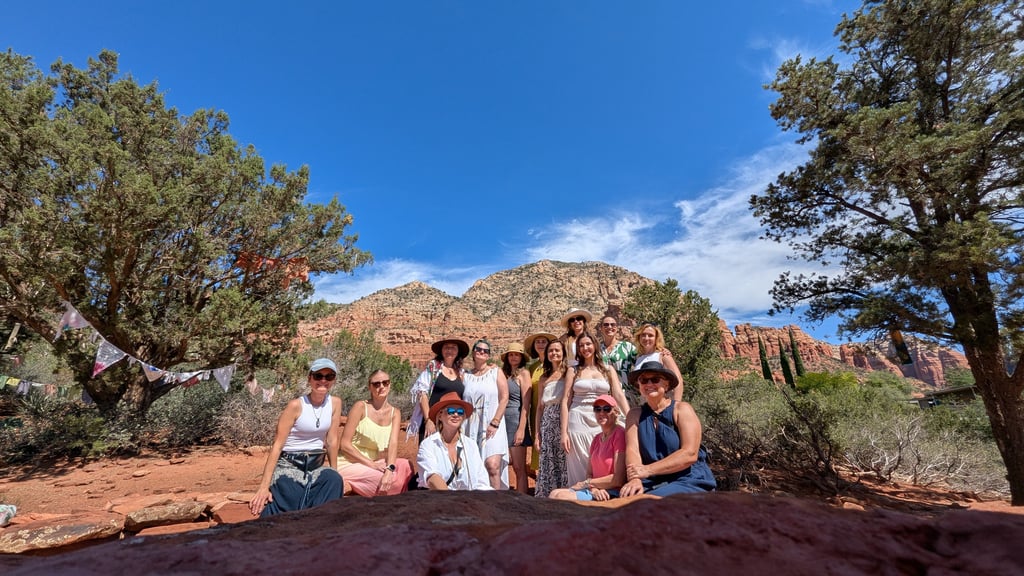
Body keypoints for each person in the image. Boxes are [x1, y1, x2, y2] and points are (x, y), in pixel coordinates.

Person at [249, 358, 343, 517]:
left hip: (315, 466)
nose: (323, 381)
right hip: (289, 465)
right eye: (318, 376)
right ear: (309, 378)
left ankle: (319, 530)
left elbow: (332, 441)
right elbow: (277, 446)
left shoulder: (335, 403)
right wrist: (263, 487)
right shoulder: (296, 406)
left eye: (329, 376)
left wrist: (335, 471)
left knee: (334, 481)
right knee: (290, 494)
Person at [619, 362, 716, 497]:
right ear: (639, 385)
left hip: (687, 478)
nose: (649, 384)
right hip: (652, 480)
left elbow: (689, 454)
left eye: (655, 379)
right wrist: (635, 479)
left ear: (666, 384)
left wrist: (647, 470)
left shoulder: (681, 410)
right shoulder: (634, 415)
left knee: (645, 504)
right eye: (643, 380)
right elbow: (632, 450)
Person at [560, 331, 631, 486]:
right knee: (578, 465)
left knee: (600, 461)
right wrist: (563, 432)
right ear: (578, 349)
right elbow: (565, 400)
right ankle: (577, 502)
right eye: (581, 345)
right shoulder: (573, 370)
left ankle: (600, 495)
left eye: (588, 344)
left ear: (595, 346)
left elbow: (618, 395)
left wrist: (630, 418)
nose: (585, 348)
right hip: (577, 420)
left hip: (603, 419)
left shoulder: (607, 369)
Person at [338, 369, 414, 496]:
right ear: (369, 387)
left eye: (385, 382)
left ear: (390, 384)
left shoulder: (395, 412)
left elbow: (393, 444)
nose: (381, 386)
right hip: (349, 463)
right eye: (376, 384)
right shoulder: (360, 407)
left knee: (406, 466)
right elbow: (345, 445)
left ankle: (385, 492)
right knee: (389, 481)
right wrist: (371, 465)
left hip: (372, 463)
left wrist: (389, 469)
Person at [549, 394, 626, 501]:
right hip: (595, 490)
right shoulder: (596, 439)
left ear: (616, 412)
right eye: (597, 409)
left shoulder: (619, 434)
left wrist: (587, 483)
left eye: (607, 409)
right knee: (554, 493)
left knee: (561, 497)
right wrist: (594, 489)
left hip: (612, 491)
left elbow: (618, 479)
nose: (601, 413)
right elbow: (589, 473)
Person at [417, 392, 493, 491]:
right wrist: (453, 502)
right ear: (440, 415)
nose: (456, 414)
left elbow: (481, 482)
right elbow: (432, 478)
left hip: (470, 501)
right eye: (451, 411)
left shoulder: (471, 445)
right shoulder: (428, 444)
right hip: (440, 501)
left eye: (460, 412)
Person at [461, 338, 510, 489]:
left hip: (493, 424)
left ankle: (496, 504)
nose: (482, 352)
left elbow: (504, 397)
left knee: (492, 465)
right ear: (473, 353)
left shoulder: (496, 372)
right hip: (470, 426)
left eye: (485, 351)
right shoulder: (465, 376)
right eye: (479, 349)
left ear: (488, 355)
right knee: (474, 466)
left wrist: (495, 421)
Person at [408, 337, 469, 441]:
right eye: (446, 347)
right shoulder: (433, 368)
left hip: (453, 423)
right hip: (433, 422)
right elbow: (422, 393)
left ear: (458, 351)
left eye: (453, 347)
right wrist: (428, 420)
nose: (449, 350)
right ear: (441, 351)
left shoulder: (462, 373)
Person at [533, 339, 568, 497]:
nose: (554, 353)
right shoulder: (543, 378)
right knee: (548, 460)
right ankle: (547, 495)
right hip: (547, 422)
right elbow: (540, 407)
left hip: (563, 421)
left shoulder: (569, 373)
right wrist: (537, 434)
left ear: (563, 353)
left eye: (557, 350)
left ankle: (566, 494)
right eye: (551, 351)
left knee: (564, 459)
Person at [501, 342, 533, 494]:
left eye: (517, 354)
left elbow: (526, 404)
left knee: (519, 468)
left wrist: (521, 429)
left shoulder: (524, 374)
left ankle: (522, 501)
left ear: (522, 358)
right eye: (511, 354)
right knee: (504, 463)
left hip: (515, 422)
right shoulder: (502, 373)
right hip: (501, 423)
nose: (513, 357)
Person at [524, 330, 556, 472]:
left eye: (544, 341)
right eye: (538, 342)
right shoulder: (532, 367)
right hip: (536, 412)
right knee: (539, 443)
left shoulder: (557, 365)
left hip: (553, 411)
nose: (541, 344)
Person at [632, 322, 684, 402]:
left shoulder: (663, 355)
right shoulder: (639, 358)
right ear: (639, 337)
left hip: (663, 403)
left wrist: (676, 404)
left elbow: (678, 379)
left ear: (656, 338)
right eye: (643, 335)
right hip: (645, 403)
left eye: (650, 335)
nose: (646, 338)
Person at [598, 316, 637, 397]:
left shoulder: (627, 347)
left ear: (617, 328)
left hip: (625, 394)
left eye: (613, 325)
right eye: (606, 325)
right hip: (603, 395)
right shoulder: (597, 349)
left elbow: (642, 360)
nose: (609, 327)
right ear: (601, 328)